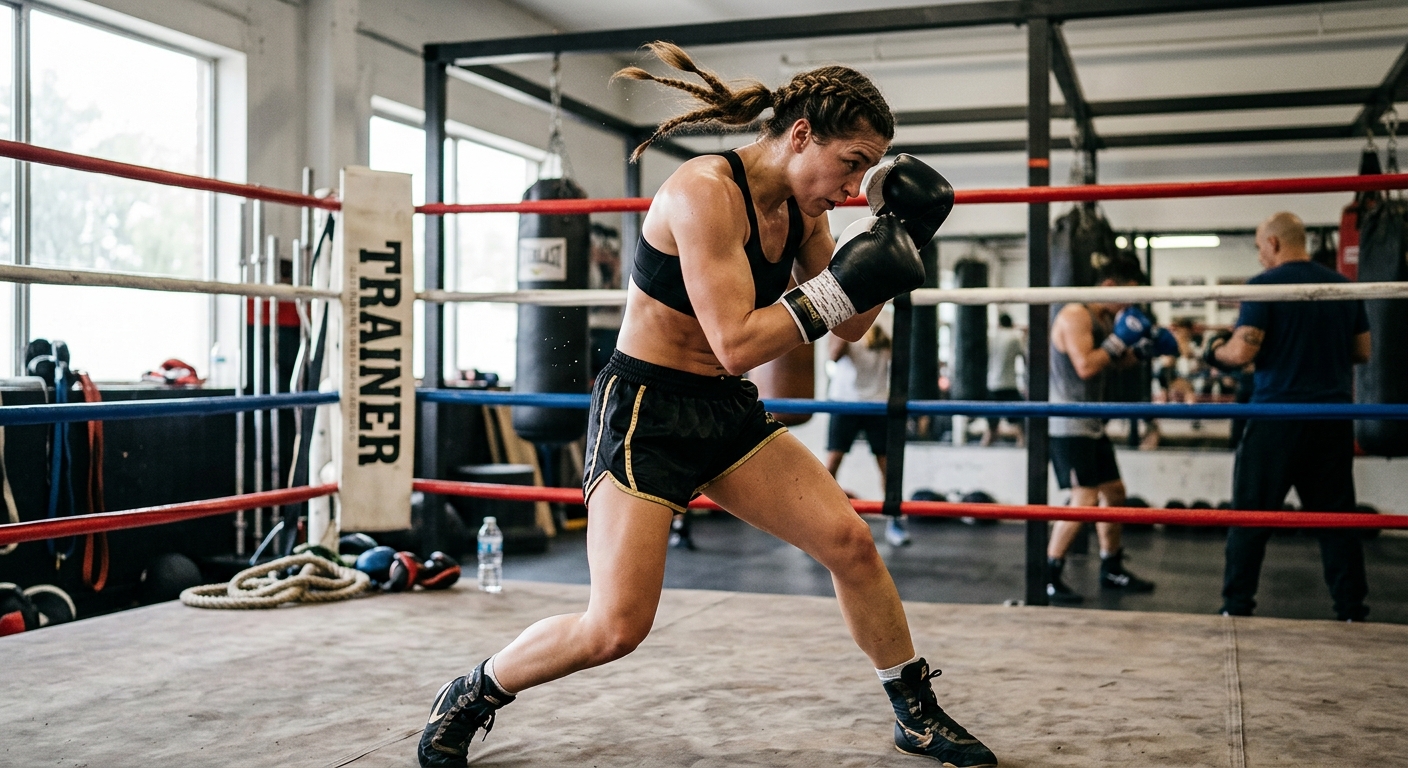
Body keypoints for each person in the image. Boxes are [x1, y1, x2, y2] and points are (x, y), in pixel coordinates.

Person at [418, 42, 997, 768]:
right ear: (799, 135)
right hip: (646, 412)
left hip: (724, 411)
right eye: (852, 162)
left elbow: (849, 324)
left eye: (867, 170)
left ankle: (915, 712)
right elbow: (737, 341)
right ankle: (473, 692)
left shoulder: (806, 213)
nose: (855, 186)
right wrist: (851, 277)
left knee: (850, 544)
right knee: (616, 627)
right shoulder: (703, 192)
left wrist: (893, 240)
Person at [1204, 211, 1371, 622]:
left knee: (1250, 517)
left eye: (1260, 246)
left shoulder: (1263, 286)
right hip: (1331, 419)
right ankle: (1351, 610)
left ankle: (1236, 608)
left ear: (1274, 244)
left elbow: (1242, 352)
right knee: (1336, 521)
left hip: (1276, 418)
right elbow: (1363, 353)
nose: (1260, 256)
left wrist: (1212, 351)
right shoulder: (1344, 286)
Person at [1045, 257, 1171, 605]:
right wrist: (1119, 341)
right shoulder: (1075, 315)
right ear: (1111, 285)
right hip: (1068, 424)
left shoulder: (1103, 318)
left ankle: (1111, 567)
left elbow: (1111, 359)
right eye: (1129, 296)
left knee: (1114, 492)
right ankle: (1048, 574)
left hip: (1092, 423)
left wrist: (1144, 351)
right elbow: (1086, 365)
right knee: (1084, 497)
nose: (1131, 306)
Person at [824, 312, 905, 545]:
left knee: (886, 464)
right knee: (833, 461)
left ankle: (895, 520)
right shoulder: (842, 314)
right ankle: (819, 520)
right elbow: (833, 356)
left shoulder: (889, 318)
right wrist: (846, 330)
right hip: (845, 400)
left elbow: (897, 357)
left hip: (877, 402)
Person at [980, 312, 1024, 447]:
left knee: (992, 425)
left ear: (999, 324)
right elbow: (1025, 357)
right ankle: (1023, 445)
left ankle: (983, 448)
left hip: (992, 383)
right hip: (1009, 383)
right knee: (1019, 422)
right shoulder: (1015, 337)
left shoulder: (991, 337)